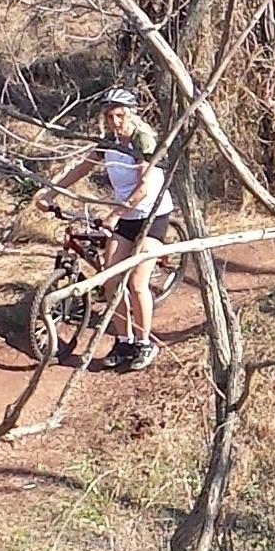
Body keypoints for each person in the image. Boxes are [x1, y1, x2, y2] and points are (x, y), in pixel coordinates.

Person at [39, 86, 171, 371]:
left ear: (131, 114)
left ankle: (144, 343)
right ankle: (124, 341)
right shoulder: (108, 142)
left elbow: (145, 187)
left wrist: (115, 214)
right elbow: (81, 168)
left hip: (151, 215)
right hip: (126, 216)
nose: (115, 121)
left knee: (136, 283)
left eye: (121, 115)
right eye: (110, 116)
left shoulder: (142, 139)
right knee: (110, 281)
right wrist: (50, 192)